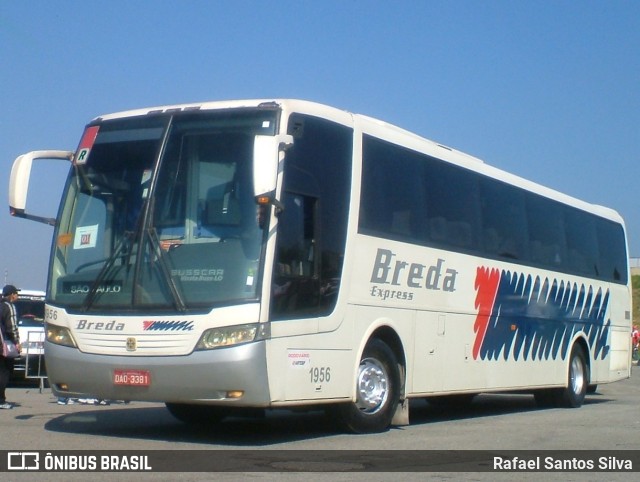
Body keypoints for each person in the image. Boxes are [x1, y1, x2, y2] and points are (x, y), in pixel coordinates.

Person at [1, 285, 22, 409]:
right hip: (4, 345)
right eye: (16, 294)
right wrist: (17, 342)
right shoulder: (9, 306)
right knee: (4, 372)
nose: (17, 296)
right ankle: (1, 400)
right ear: (12, 294)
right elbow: (12, 327)